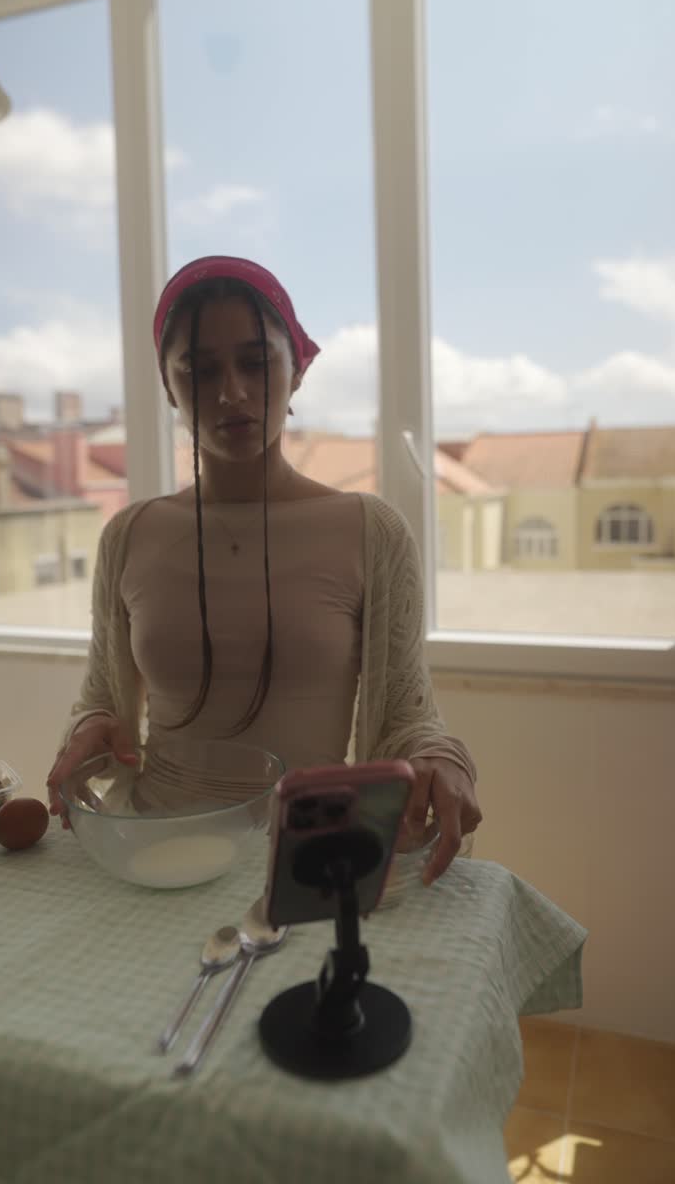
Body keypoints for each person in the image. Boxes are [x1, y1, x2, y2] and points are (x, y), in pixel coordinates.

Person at [47, 256, 482, 884]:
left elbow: (407, 718)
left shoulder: (370, 531)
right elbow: (102, 700)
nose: (231, 392)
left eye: (255, 362)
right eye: (200, 370)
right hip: (154, 851)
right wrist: (91, 730)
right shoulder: (129, 536)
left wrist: (443, 760)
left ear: (297, 370)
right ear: (168, 386)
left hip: (312, 860)